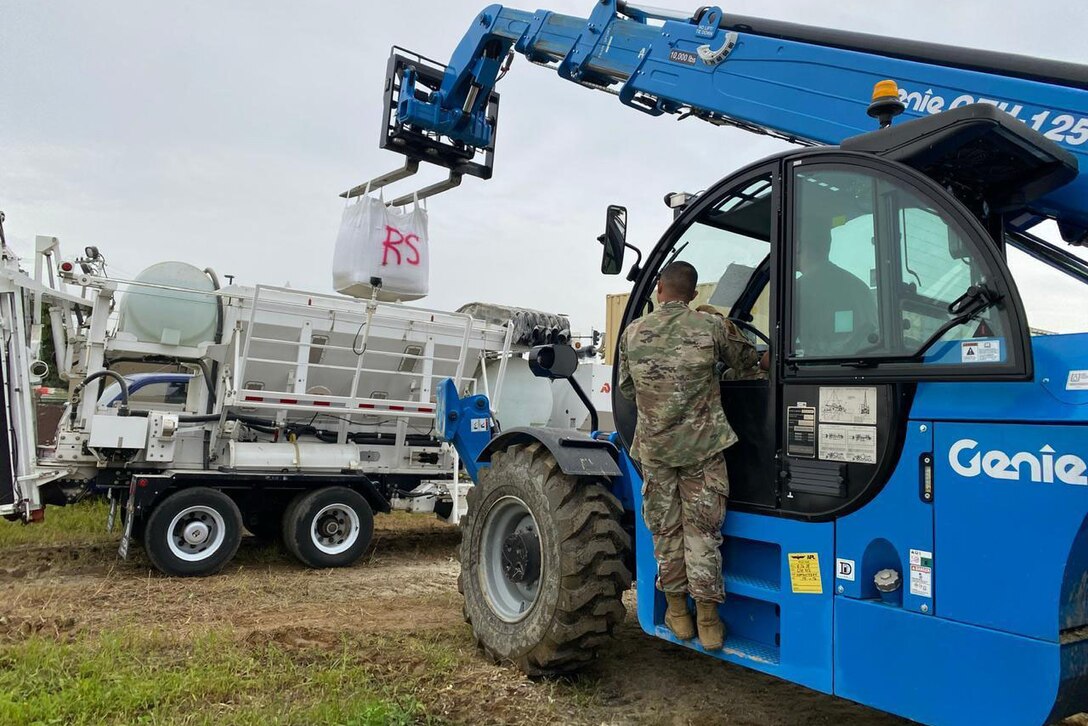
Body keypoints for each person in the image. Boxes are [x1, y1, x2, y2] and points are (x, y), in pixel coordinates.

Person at [618, 261, 760, 650]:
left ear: (659, 289)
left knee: (665, 529)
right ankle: (709, 620)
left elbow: (628, 389)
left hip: (655, 451)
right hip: (702, 450)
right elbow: (750, 365)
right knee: (702, 532)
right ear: (693, 295)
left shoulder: (632, 332)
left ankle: (677, 612)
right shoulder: (709, 327)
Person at [794, 215, 878, 357]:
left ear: (798, 245)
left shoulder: (799, 289)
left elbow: (777, 354)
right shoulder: (859, 287)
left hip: (819, 372)